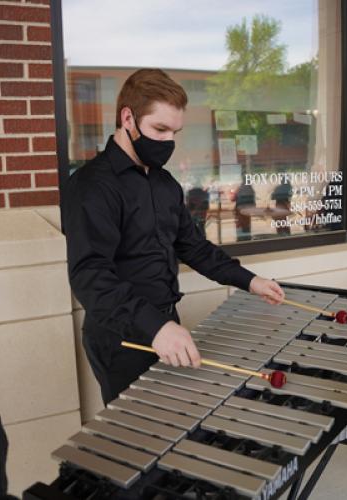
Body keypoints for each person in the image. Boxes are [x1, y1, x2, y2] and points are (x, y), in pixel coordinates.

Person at [62, 69, 284, 406]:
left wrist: (250, 281)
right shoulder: (93, 186)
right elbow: (90, 276)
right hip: (123, 338)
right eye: (160, 129)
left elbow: (193, 247)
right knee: (138, 439)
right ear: (127, 118)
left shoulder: (164, 184)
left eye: (175, 132)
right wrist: (155, 327)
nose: (168, 142)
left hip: (166, 324)